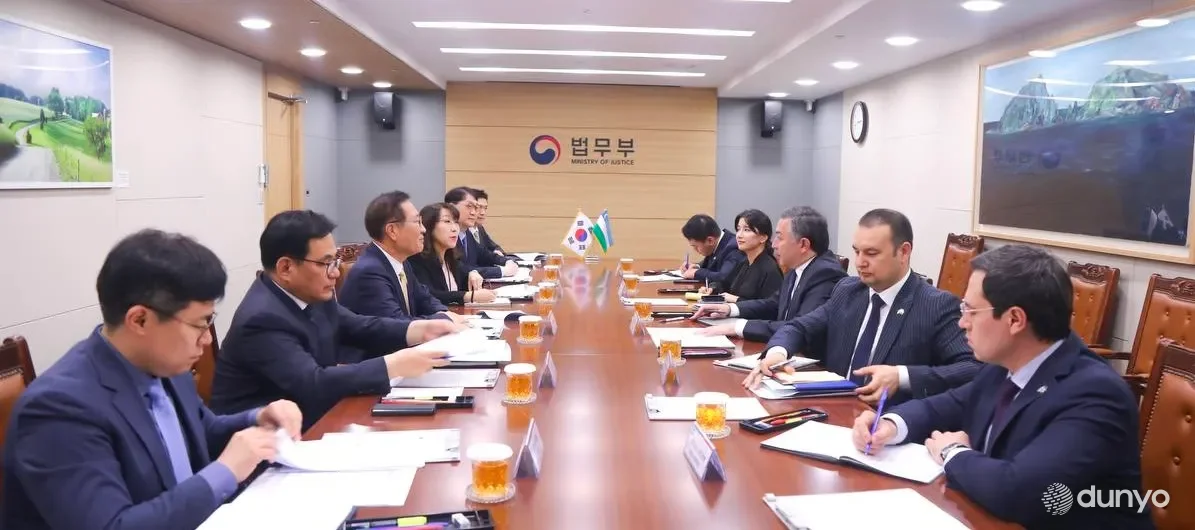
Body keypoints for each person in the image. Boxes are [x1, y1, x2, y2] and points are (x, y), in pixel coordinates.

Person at [1, 229, 302, 530]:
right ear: (140, 320)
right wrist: (225, 471)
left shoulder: (164, 364)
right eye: (200, 324)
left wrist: (257, 418)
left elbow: (201, 431)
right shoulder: (58, 408)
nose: (207, 339)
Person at [851, 244, 1151, 529]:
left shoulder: (1095, 394)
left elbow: (1020, 493)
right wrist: (890, 425)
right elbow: (946, 405)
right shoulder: (1003, 365)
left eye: (971, 310)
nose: (962, 323)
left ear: (1015, 319)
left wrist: (952, 452)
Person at [210, 210, 461, 430]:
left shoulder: (312, 294)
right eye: (326, 263)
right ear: (286, 268)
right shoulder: (262, 319)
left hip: (317, 418)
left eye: (336, 260)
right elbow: (313, 383)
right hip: (269, 443)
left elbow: (359, 326)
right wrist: (392, 365)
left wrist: (419, 329)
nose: (335, 273)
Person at [746, 209, 980, 405]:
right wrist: (778, 353)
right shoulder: (848, 291)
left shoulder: (935, 305)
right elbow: (799, 327)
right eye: (857, 251)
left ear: (904, 251)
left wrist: (902, 376)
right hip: (833, 410)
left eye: (871, 253)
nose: (860, 263)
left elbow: (972, 368)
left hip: (888, 424)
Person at [693, 206, 846, 347]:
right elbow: (773, 304)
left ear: (803, 245)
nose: (774, 244)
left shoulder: (824, 274)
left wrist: (738, 327)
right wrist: (729, 309)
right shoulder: (797, 267)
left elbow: (799, 326)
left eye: (780, 238)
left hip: (804, 358)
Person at [338, 191, 466, 323]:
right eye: (417, 222)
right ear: (392, 231)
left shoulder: (401, 262)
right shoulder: (370, 271)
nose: (423, 229)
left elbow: (425, 299)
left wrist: (445, 313)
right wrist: (443, 319)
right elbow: (397, 323)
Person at [408, 202, 499, 305]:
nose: (454, 229)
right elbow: (429, 295)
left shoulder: (451, 258)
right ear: (429, 225)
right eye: (447, 221)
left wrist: (472, 272)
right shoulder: (417, 259)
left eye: (456, 222)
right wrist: (468, 296)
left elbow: (466, 272)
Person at [698, 209, 782, 303]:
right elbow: (725, 283)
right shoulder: (744, 262)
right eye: (738, 229)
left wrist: (736, 300)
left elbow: (770, 306)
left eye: (746, 230)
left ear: (763, 238)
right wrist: (712, 289)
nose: (739, 235)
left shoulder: (769, 268)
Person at [445, 187, 517, 279]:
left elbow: (484, 254)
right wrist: (502, 271)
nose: (474, 213)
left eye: (476, 208)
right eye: (469, 206)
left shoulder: (467, 233)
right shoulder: (446, 237)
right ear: (451, 207)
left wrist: (506, 261)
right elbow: (461, 270)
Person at [680, 213, 745, 285]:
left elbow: (723, 277)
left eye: (696, 246)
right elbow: (713, 262)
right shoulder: (718, 243)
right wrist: (697, 266)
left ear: (710, 240)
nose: (695, 250)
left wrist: (696, 273)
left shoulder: (733, 249)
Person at [470, 188, 506, 256]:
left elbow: (494, 247)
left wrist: (496, 252)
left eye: (485, 208)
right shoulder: (463, 232)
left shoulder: (480, 228)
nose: (483, 213)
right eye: (479, 207)